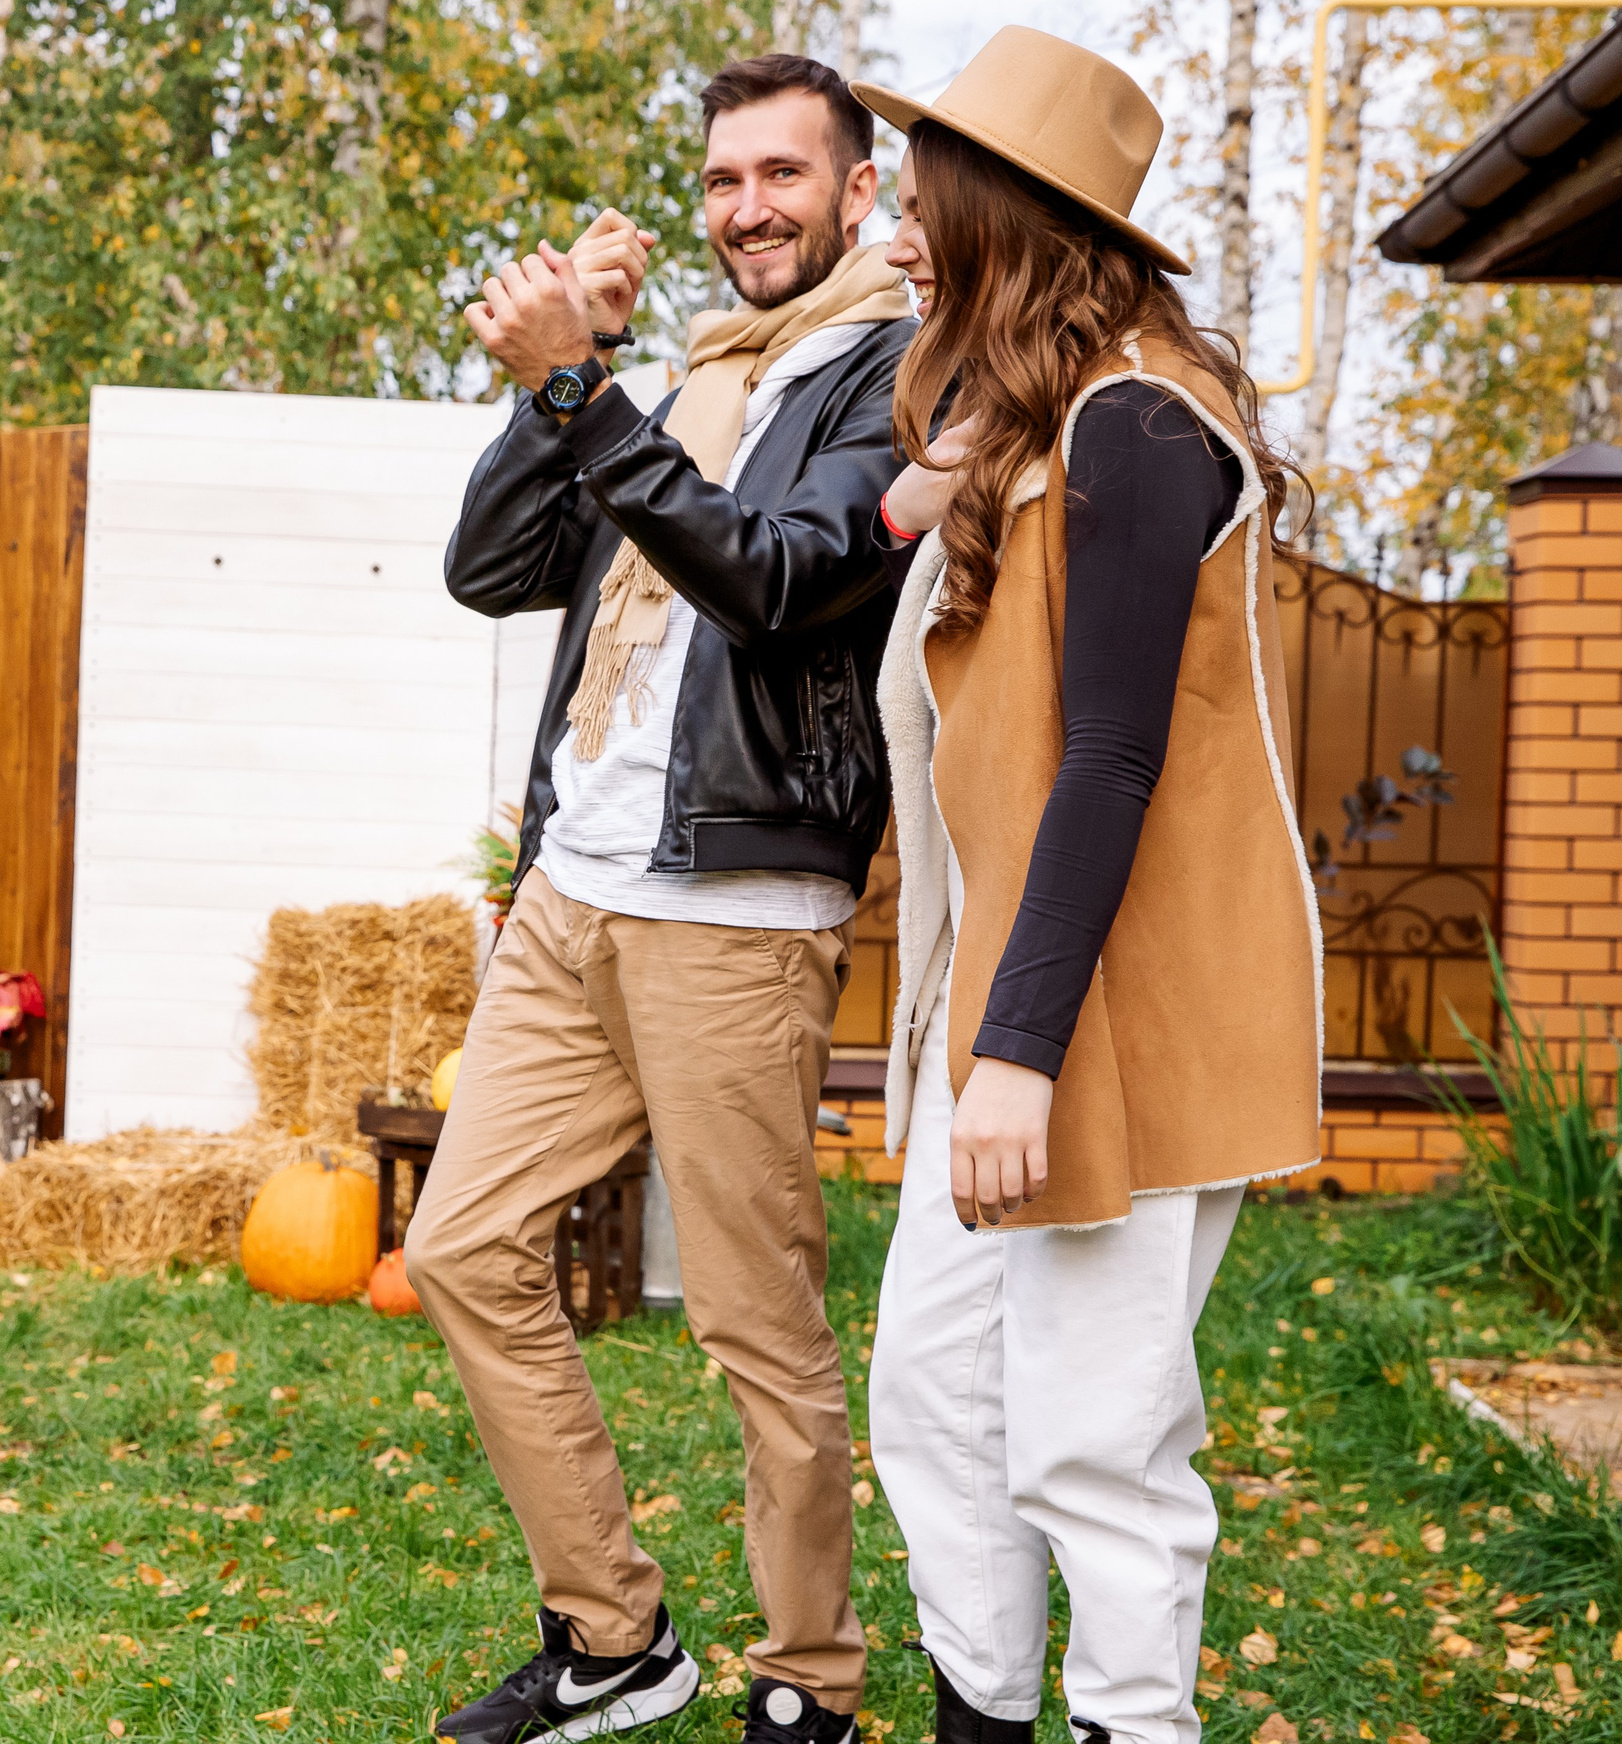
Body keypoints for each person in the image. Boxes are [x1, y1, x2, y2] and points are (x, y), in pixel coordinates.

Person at [407, 53, 916, 1744]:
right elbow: (494, 569)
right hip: (576, 887)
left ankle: (810, 1684)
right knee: (465, 1245)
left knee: (758, 1329)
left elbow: (774, 579)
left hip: (741, 907)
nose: (746, 210)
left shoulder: (892, 372)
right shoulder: (683, 374)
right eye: (720, 182)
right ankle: (613, 1633)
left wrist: (584, 399)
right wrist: (581, 380)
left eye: (782, 175)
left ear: (859, 192)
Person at [847, 29, 1321, 1744]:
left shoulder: (1142, 428)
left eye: (918, 206)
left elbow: (1110, 761)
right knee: (936, 1393)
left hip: (1122, 1008)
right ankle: (984, 1710)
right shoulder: (1051, 431)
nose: (897, 235)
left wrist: (1019, 1051)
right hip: (1029, 999)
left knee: (1093, 1442)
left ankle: (1135, 1723)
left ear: (1005, 219)